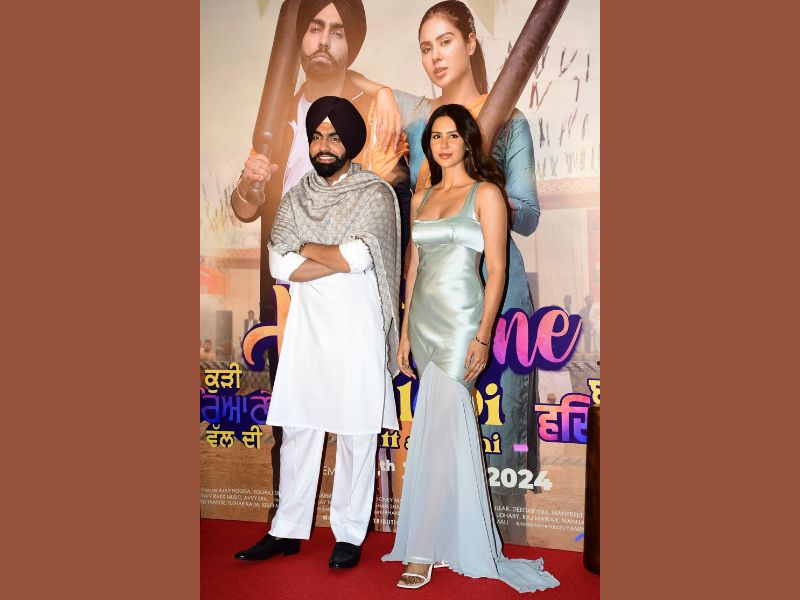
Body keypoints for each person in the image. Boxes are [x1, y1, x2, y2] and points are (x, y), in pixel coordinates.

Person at [350, 0, 542, 537]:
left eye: (446, 42)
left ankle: (501, 543)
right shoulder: (420, 123)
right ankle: (437, 539)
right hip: (434, 300)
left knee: (500, 432)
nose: (435, 56)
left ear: (471, 43)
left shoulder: (509, 120)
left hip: (497, 297)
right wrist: (382, 93)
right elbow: (408, 214)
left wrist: (479, 185)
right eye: (425, 47)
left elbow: (528, 215)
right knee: (436, 430)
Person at [382, 104, 558, 593]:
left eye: (452, 136)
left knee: (442, 431)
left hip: (462, 325)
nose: (443, 144)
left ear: (467, 142)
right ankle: (441, 538)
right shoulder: (421, 196)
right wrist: (403, 332)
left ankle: (423, 550)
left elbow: (496, 271)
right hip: (422, 324)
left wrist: (482, 335)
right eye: (436, 136)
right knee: (436, 433)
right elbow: (413, 268)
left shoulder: (487, 194)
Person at [234, 97, 401, 570]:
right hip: (308, 331)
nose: (324, 145)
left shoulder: (375, 195)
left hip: (358, 331)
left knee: (356, 434)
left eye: (334, 136)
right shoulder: (295, 197)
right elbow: (279, 264)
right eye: (317, 136)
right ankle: (286, 529)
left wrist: (305, 247)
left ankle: (349, 534)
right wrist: (334, 255)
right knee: (299, 430)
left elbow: (361, 258)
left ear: (351, 142)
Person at [233, 0, 408, 224]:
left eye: (337, 33)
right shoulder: (278, 119)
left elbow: (396, 214)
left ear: (351, 46)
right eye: (315, 29)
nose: (323, 41)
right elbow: (246, 211)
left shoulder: (376, 117)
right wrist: (245, 187)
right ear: (301, 37)